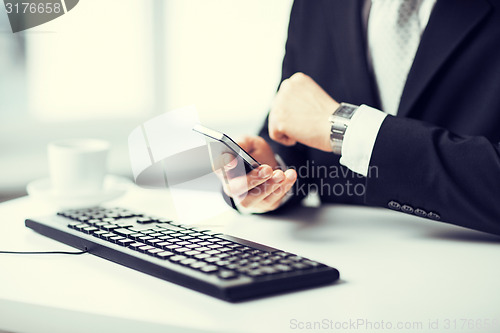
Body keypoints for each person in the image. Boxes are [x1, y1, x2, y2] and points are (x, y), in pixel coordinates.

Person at [219, 0, 500, 235]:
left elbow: (326, 123)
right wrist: (271, 172)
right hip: (332, 268)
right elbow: (299, 124)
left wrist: (346, 128)